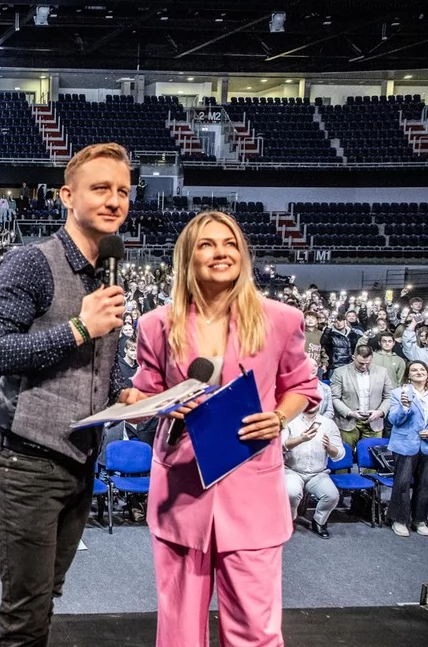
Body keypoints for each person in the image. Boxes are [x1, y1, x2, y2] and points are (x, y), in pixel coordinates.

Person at [123, 211, 320, 647]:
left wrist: (279, 417)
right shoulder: (155, 325)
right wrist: (136, 403)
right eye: (207, 244)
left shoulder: (281, 319)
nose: (221, 252)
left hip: (252, 493)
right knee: (178, 634)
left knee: (255, 632)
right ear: (187, 257)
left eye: (230, 244)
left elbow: (303, 386)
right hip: (180, 493)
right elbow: (144, 398)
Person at [0, 143, 130, 647]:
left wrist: (124, 391)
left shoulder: (107, 271)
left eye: (123, 191)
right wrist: (78, 329)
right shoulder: (30, 262)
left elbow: (102, 362)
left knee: (45, 600)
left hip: (81, 461)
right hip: (28, 465)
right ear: (67, 196)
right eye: (100, 188)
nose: (114, 200)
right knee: (24, 617)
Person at [282, 403, 344, 538]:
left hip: (318, 473)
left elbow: (339, 454)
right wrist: (301, 439)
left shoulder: (329, 424)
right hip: (292, 470)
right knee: (291, 492)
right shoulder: (290, 421)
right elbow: (281, 445)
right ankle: (289, 519)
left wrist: (329, 448)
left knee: (332, 496)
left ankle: (319, 522)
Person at [385, 360, 428, 537]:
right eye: (414, 370)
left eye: (422, 369)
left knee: (425, 484)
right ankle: (399, 519)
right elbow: (394, 420)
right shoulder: (398, 393)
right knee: (402, 484)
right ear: (408, 375)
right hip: (405, 444)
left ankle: (419, 520)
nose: (419, 372)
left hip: (426, 446)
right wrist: (405, 408)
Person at [330, 344, 392, 451]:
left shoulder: (382, 372)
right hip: (348, 422)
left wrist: (380, 412)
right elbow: (334, 398)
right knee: (345, 456)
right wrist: (349, 413)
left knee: (372, 458)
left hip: (374, 422)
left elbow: (389, 396)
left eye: (368, 363)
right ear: (353, 357)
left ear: (372, 358)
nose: (364, 367)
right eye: (361, 363)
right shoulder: (340, 372)